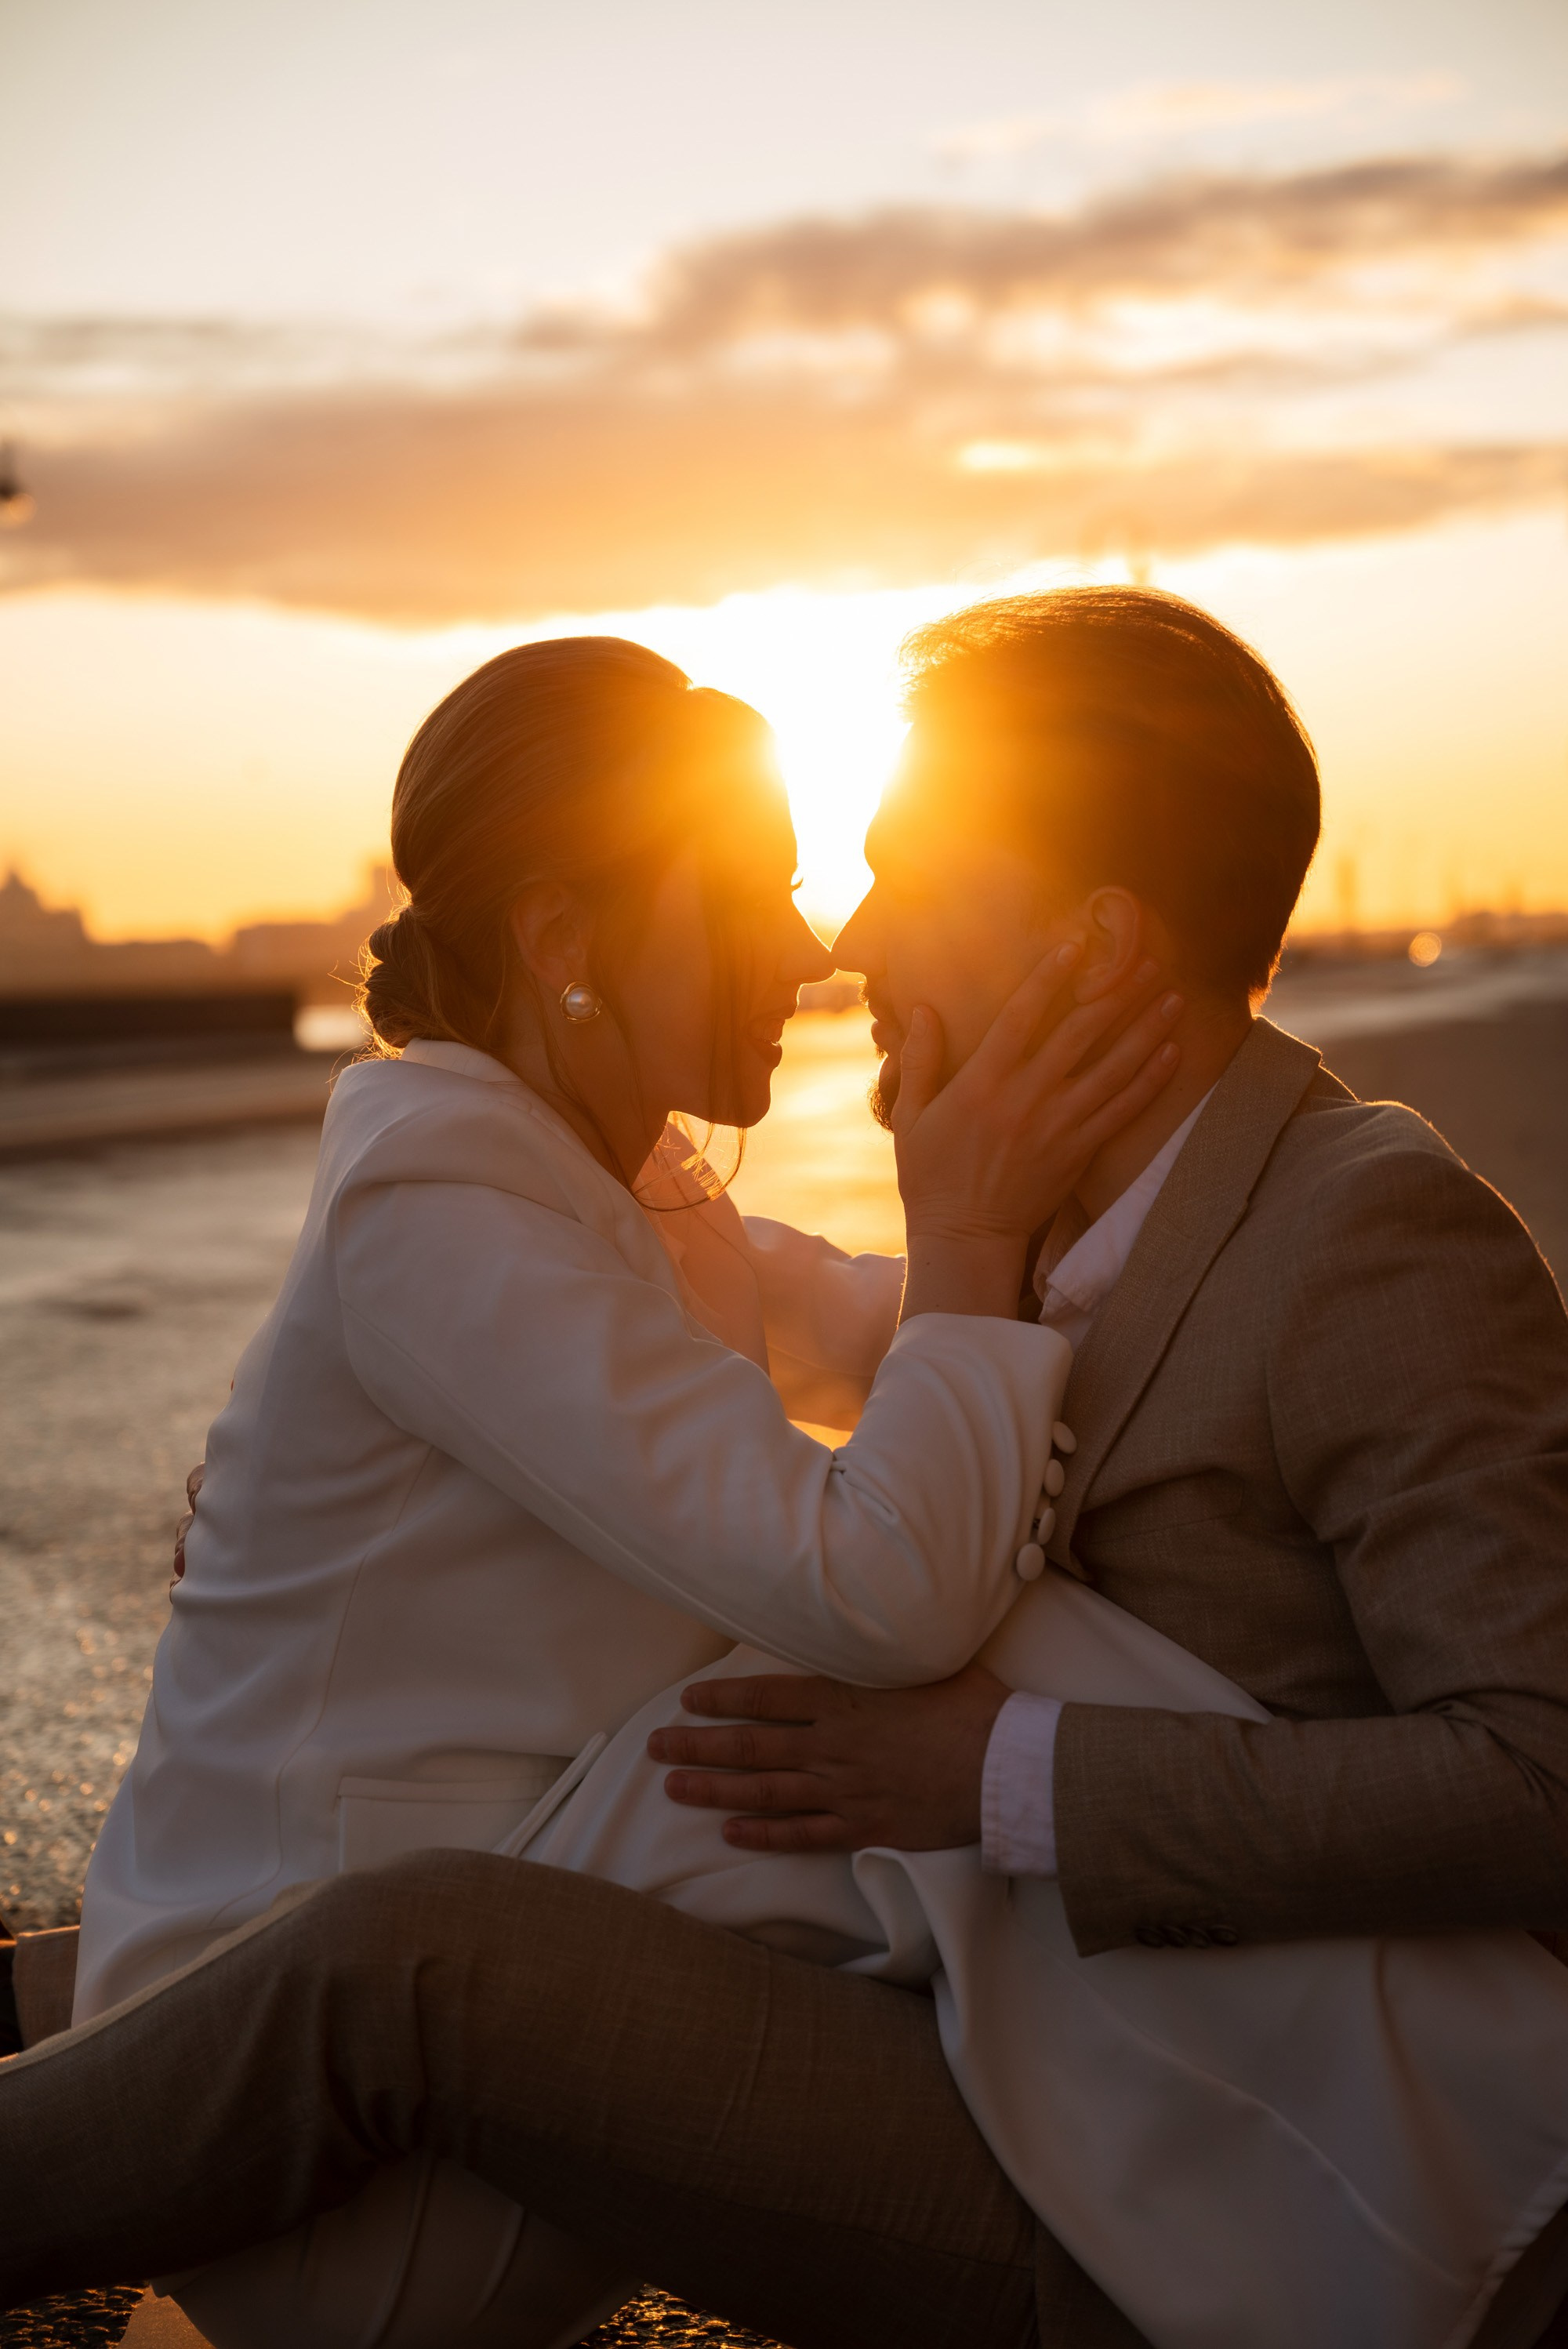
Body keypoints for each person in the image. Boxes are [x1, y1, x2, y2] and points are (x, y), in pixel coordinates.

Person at [6, 589, 1568, 2349]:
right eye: (784, 885)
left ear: (1097, 948)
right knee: (466, 1902)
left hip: (1204, 2163)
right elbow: (877, 1462)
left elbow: (1545, 1773)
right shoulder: (1015, 1222)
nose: (842, 938)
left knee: (450, 1924)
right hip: (1035, 2057)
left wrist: (1005, 1774)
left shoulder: (1360, 1235)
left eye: (899, 868)